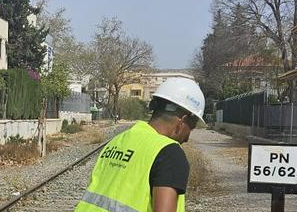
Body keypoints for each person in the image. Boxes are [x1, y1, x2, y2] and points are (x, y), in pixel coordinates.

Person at [75, 77, 205, 212]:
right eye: (191, 128)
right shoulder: (169, 153)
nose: (188, 138)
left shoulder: (118, 141)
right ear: (182, 122)